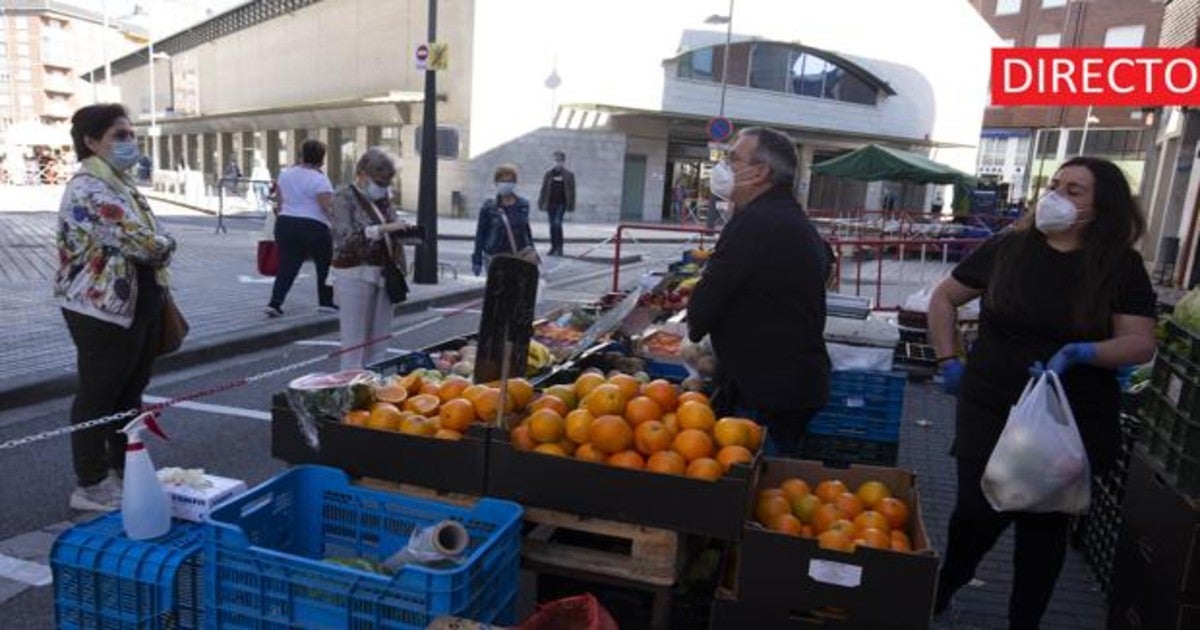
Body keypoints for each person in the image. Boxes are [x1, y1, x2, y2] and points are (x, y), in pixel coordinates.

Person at [928, 157, 1156, 628]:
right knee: (974, 514)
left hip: (1068, 418)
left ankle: (1023, 621)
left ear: (1101, 206)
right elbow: (944, 297)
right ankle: (942, 588)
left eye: (1075, 190)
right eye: (1054, 185)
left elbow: (1139, 342)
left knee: (1043, 529)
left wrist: (1083, 352)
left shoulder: (1120, 266)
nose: (1057, 196)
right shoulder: (1008, 248)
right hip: (990, 404)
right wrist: (948, 359)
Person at [55, 104, 176, 511]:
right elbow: (146, 241)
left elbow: (149, 235)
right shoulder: (90, 188)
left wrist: (159, 242)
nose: (131, 143)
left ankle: (126, 468)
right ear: (91, 141)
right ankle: (90, 484)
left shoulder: (118, 183)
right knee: (99, 394)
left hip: (135, 302)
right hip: (100, 308)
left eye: (131, 135)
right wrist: (165, 245)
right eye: (119, 136)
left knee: (130, 392)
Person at [686, 127, 831, 457]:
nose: (723, 167)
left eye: (733, 158)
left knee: (752, 487)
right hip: (793, 383)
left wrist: (698, 314)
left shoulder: (756, 223)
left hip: (767, 392)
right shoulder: (788, 217)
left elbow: (701, 313)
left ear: (760, 171)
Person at [329, 149, 411, 370]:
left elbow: (392, 224)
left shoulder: (383, 200)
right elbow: (344, 238)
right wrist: (381, 229)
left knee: (380, 339)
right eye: (380, 181)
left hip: (384, 273)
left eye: (388, 182)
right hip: (354, 272)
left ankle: (375, 387)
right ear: (362, 174)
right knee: (354, 341)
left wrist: (403, 232)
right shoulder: (343, 196)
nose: (384, 187)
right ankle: (350, 388)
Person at [265, 140, 337, 317]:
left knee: (287, 266)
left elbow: (280, 203)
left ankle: (275, 303)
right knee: (324, 265)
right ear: (321, 158)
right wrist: (338, 226)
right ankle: (326, 302)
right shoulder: (320, 179)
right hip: (314, 227)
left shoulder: (285, 174)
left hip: (286, 223)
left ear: (301, 154)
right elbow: (326, 208)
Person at [472, 164, 535, 276]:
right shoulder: (489, 207)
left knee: (517, 292)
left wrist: (532, 252)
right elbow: (480, 233)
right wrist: (477, 259)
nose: (506, 184)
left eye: (510, 181)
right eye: (502, 180)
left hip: (518, 257)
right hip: (495, 257)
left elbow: (526, 230)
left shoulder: (523, 205)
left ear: (514, 183)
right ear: (496, 183)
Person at [537, 150, 575, 256]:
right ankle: (553, 247)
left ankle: (560, 247)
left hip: (561, 203)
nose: (558, 162)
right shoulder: (549, 174)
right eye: (556, 160)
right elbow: (543, 189)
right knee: (552, 226)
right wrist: (541, 202)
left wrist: (571, 206)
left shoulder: (569, 175)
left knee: (557, 224)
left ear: (563, 161)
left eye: (560, 160)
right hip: (550, 203)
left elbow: (572, 191)